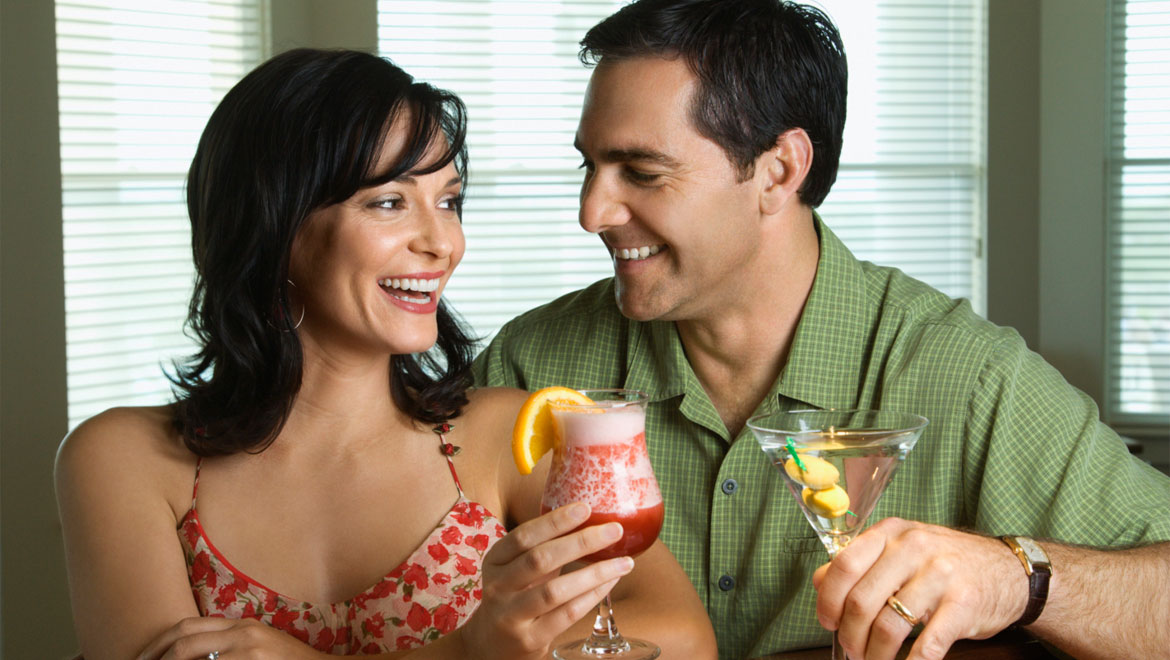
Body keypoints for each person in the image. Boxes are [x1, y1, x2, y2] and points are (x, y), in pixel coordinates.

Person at [472, 1, 1170, 659]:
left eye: (642, 172)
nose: (592, 211)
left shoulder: (965, 373)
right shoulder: (531, 369)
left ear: (779, 170)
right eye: (589, 166)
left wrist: (1018, 578)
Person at [54, 48, 717, 660]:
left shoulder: (509, 434)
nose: (442, 242)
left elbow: (684, 640)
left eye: (450, 201)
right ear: (273, 222)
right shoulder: (123, 460)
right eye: (391, 202)